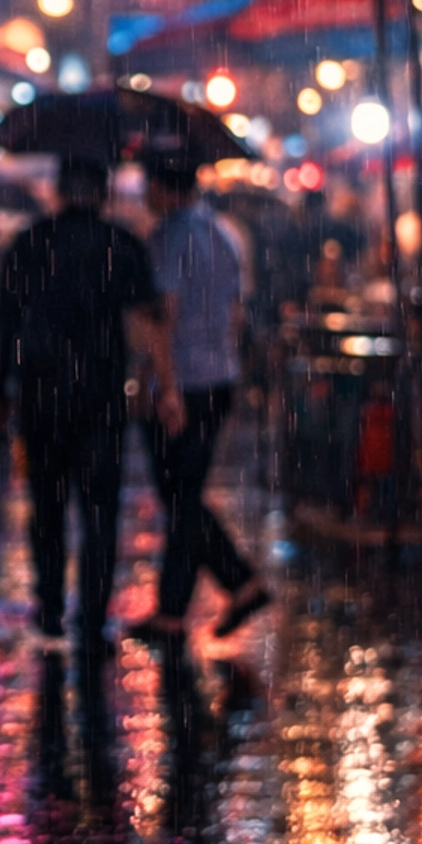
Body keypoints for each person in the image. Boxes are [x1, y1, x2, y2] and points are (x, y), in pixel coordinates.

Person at [0, 155, 181, 655]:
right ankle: (92, 616)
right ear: (102, 194)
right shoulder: (120, 243)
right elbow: (149, 316)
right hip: (100, 396)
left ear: (58, 192)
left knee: (46, 507)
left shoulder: (29, 243)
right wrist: (158, 381)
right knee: (100, 511)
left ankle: (50, 610)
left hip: (40, 393)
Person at [130, 150, 269, 642]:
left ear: (165, 186)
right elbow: (236, 313)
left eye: (147, 182)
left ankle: (239, 583)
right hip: (219, 379)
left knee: (182, 499)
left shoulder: (168, 238)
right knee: (184, 497)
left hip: (183, 385)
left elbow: (162, 317)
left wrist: (163, 388)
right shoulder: (225, 234)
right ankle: (175, 611)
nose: (144, 194)